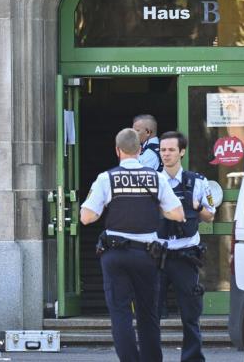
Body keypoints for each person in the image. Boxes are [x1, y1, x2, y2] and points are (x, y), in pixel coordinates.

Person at [81, 128, 185, 362]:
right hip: (147, 256)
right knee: (148, 315)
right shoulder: (156, 177)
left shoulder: (106, 178)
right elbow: (178, 213)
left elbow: (87, 217)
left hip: (115, 255)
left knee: (120, 314)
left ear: (117, 150)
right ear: (139, 150)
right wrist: (155, 208)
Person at [157, 131, 215, 362]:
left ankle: (192, 358)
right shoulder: (151, 180)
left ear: (182, 151)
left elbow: (210, 216)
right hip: (157, 255)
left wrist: (197, 206)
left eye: (171, 150)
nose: (166, 154)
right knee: (150, 313)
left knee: (190, 314)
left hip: (185, 256)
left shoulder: (198, 181)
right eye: (163, 150)